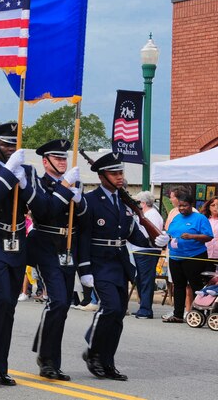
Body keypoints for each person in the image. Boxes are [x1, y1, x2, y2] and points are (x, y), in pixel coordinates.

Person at [77, 152, 170, 380]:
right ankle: (93, 351)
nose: (120, 177)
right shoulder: (89, 201)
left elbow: (132, 234)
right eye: (114, 173)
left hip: (119, 263)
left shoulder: (124, 202)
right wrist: (85, 268)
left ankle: (107, 361)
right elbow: (82, 237)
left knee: (118, 314)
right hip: (98, 262)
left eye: (121, 173)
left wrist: (152, 241)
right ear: (102, 176)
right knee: (109, 307)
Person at [0, 123, 44, 387]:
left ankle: (1, 366)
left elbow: (39, 207)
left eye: (14, 144)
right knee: (0, 300)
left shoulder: (27, 170)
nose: (11, 148)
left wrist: (25, 184)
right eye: (6, 144)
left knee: (10, 306)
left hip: (17, 241)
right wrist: (9, 172)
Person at [26, 139, 86, 381]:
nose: (62, 162)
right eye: (57, 158)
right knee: (59, 301)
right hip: (45, 246)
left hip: (68, 248)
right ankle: (47, 359)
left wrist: (81, 202)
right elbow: (45, 211)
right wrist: (65, 186)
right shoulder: (39, 184)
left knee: (62, 305)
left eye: (64, 158)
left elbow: (84, 220)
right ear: (45, 161)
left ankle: (49, 357)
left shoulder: (74, 182)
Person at [162, 188, 214, 323]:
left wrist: (192, 236)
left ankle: (200, 313)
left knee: (196, 285)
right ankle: (178, 314)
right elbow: (170, 232)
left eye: (185, 205)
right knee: (178, 286)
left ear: (191, 205)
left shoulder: (200, 218)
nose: (182, 208)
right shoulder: (176, 218)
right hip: (175, 256)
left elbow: (209, 236)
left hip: (194, 256)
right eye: (180, 206)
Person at [130, 190, 165, 319]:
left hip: (147, 250)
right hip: (142, 250)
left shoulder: (151, 215)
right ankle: (143, 307)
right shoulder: (148, 214)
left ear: (143, 203)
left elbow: (150, 234)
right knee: (141, 279)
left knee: (145, 280)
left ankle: (146, 309)